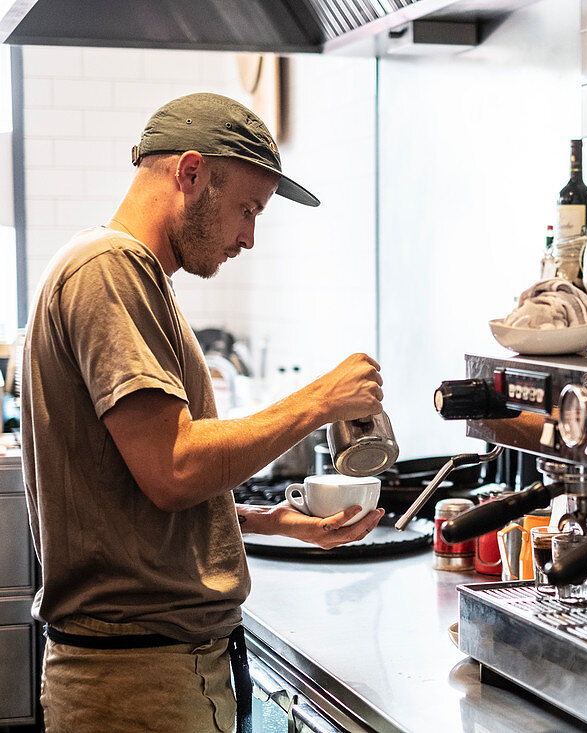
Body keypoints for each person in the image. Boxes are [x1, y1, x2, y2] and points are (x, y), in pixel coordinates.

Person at [20, 92, 386, 732]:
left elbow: (129, 498)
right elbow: (175, 470)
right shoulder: (109, 268)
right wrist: (319, 399)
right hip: (139, 686)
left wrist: (273, 522)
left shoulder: (127, 274)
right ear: (190, 173)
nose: (249, 236)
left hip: (150, 673)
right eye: (247, 208)